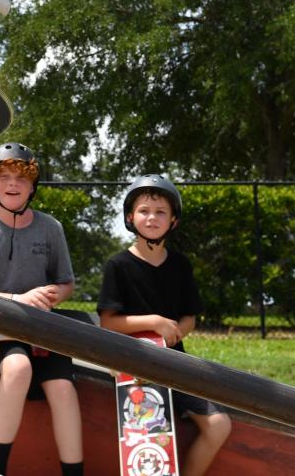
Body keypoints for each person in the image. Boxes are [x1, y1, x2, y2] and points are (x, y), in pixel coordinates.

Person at [0, 143, 82, 476]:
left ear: (33, 186)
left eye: (21, 178)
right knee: (18, 369)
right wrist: (16, 300)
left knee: (64, 388)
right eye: (4, 176)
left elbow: (66, 282)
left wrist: (49, 296)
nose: (13, 184)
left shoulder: (50, 228)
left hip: (41, 327)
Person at [97, 175, 232, 476]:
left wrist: (174, 334)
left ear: (173, 221)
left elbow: (189, 317)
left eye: (161, 212)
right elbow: (108, 323)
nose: (152, 217)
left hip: (175, 364)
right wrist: (154, 323)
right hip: (134, 368)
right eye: (144, 211)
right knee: (149, 440)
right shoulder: (118, 266)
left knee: (219, 424)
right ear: (131, 217)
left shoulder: (180, 265)